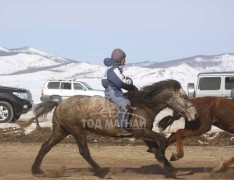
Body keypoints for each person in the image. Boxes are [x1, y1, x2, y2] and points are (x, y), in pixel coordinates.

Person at [102, 48, 136, 136]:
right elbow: (121, 82)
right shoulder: (114, 69)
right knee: (126, 103)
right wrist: (130, 82)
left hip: (114, 90)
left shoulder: (113, 67)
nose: (125, 60)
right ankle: (120, 125)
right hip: (112, 91)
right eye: (124, 58)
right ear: (119, 59)